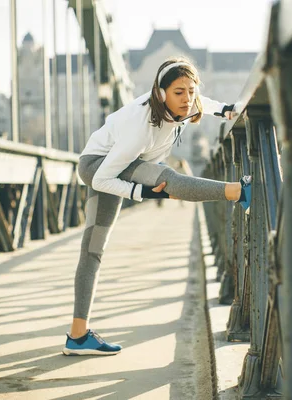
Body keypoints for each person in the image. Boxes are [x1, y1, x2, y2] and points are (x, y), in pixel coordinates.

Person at [62, 57, 251, 356]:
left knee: (93, 249)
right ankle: (240, 192)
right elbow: (100, 178)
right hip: (99, 165)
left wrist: (225, 109)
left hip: (124, 164)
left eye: (192, 91)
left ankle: (77, 336)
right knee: (169, 182)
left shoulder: (185, 105)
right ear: (161, 94)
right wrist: (147, 194)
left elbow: (203, 101)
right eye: (179, 92)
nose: (187, 99)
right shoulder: (141, 127)